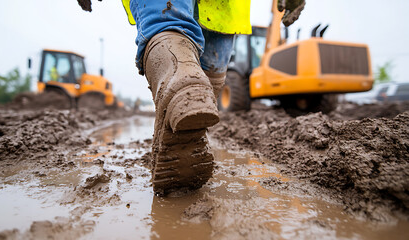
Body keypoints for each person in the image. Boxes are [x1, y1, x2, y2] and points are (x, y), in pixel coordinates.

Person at [77, 0, 305, 195]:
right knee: (210, 70)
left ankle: (183, 81)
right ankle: (186, 117)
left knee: (166, 23)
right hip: (225, 10)